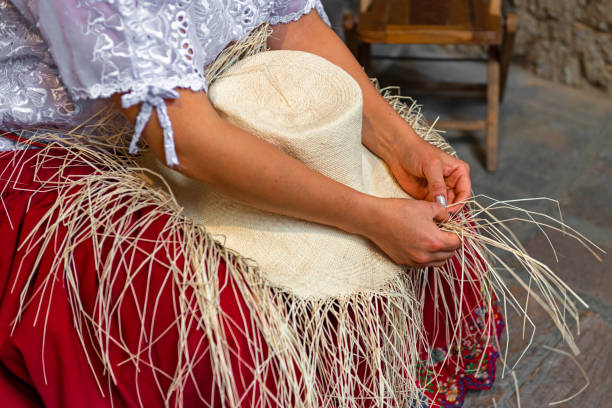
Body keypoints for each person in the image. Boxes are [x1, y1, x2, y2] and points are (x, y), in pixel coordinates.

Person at [0, 1, 499, 407]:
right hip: (72, 149)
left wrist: (401, 146)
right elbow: (187, 140)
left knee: (433, 220)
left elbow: (291, 23)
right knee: (221, 320)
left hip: (219, 96)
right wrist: (370, 215)